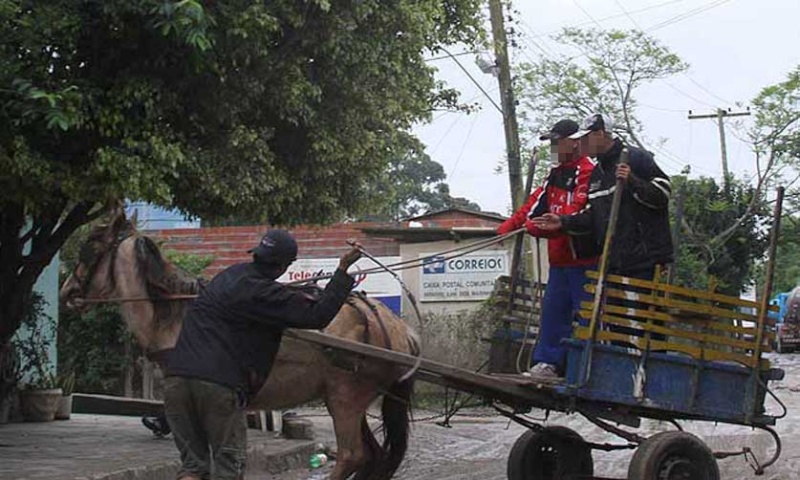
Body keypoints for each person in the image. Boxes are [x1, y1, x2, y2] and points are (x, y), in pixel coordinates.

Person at [164, 229, 362, 480]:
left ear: (257, 254)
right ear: (283, 266)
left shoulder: (228, 275)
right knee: (228, 467)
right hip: (217, 386)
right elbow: (317, 315)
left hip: (175, 380)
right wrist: (343, 270)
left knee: (192, 468)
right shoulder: (265, 294)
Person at [497, 119, 598, 380]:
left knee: (586, 314)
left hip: (584, 258)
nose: (553, 148)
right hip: (560, 261)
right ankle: (548, 364)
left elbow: (574, 212)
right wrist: (508, 227)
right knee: (553, 313)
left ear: (574, 142)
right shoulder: (555, 174)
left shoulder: (588, 172)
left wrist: (540, 227)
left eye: (556, 142)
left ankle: (589, 366)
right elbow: (532, 208)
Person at [530, 113, 674, 280]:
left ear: (599, 134)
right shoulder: (597, 173)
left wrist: (632, 181)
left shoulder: (636, 157)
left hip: (646, 262)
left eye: (585, 138)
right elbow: (592, 216)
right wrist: (563, 222)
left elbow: (662, 196)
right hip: (613, 263)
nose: (581, 143)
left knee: (639, 306)